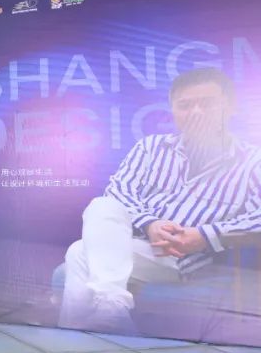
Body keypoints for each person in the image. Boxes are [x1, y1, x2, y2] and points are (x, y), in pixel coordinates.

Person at [60, 67, 261, 332]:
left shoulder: (253, 161)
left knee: (79, 252)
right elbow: (119, 192)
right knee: (102, 206)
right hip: (132, 243)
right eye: (185, 105)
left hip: (182, 259)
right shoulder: (150, 147)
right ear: (173, 111)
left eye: (207, 103)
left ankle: (82, 331)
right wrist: (150, 224)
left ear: (230, 106)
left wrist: (204, 235)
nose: (196, 112)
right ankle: (110, 314)